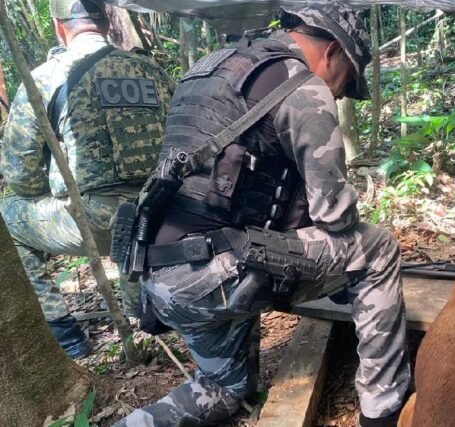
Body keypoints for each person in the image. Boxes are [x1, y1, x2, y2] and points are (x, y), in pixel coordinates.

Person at [115, 3, 410, 427]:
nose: (343, 93)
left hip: (158, 277)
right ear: (334, 52)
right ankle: (381, 410)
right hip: (213, 276)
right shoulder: (303, 87)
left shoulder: (210, 68)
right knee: (377, 247)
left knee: (224, 388)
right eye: (347, 80)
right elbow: (337, 218)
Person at [0, 0, 174, 359]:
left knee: (7, 215)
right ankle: (141, 314)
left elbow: (21, 178)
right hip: (164, 215)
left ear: (58, 27)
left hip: (96, 222)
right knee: (129, 212)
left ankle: (66, 336)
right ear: (107, 21)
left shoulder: (47, 78)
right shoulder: (152, 70)